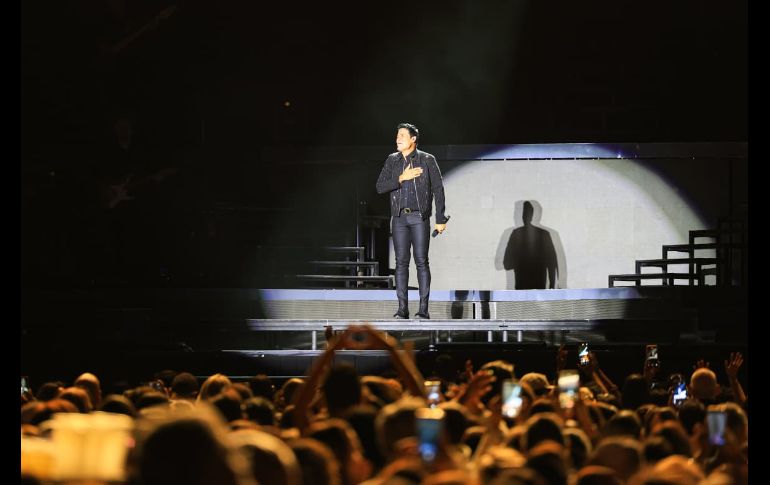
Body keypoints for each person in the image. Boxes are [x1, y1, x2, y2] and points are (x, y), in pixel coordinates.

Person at [376, 123, 447, 319]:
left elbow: (438, 189)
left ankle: (423, 310)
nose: (397, 139)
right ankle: (402, 309)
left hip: (418, 217)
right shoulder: (392, 160)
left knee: (422, 262)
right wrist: (401, 177)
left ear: (413, 139)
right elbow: (380, 186)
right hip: (398, 218)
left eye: (402, 136)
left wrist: (440, 218)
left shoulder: (426, 159)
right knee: (401, 263)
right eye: (396, 136)